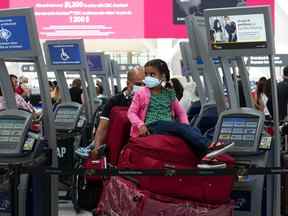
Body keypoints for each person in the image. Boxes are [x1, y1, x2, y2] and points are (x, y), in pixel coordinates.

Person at [127, 59, 234, 167]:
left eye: (152, 74)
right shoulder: (141, 93)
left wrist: (186, 127)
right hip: (151, 126)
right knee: (176, 127)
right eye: (146, 74)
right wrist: (140, 125)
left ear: (163, 76)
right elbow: (131, 113)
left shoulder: (169, 94)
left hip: (166, 126)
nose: (148, 77)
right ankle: (209, 145)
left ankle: (205, 158)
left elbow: (181, 113)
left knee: (191, 131)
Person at [78, 67, 145, 158]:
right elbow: (103, 127)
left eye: (144, 84)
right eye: (138, 84)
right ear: (128, 83)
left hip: (140, 146)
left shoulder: (150, 99)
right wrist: (97, 149)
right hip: (118, 147)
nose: (142, 87)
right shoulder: (115, 101)